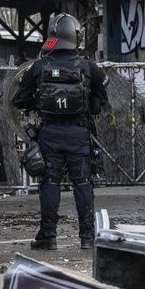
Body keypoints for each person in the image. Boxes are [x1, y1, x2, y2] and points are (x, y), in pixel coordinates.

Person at [12, 13, 109, 250]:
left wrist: (37, 103)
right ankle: (87, 237)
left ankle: (48, 236)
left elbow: (19, 99)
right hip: (79, 134)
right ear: (77, 36)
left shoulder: (38, 67)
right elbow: (102, 99)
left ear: (52, 36)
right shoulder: (88, 66)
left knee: (50, 183)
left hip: (50, 134)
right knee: (83, 183)